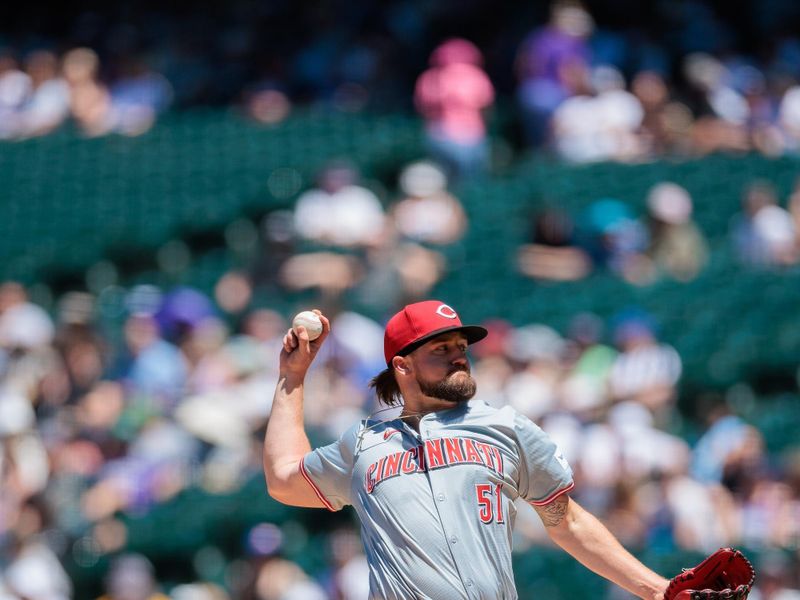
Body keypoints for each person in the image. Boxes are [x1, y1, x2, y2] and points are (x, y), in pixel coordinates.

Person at [263, 300, 669, 599]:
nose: (458, 356)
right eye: (440, 349)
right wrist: (293, 376)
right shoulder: (363, 443)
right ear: (402, 367)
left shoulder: (506, 427)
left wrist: (659, 591)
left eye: (460, 346)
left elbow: (569, 523)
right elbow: (284, 478)